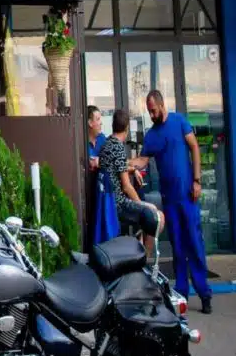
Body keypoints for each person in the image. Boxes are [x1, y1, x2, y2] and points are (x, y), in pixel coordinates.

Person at [129, 90, 212, 313]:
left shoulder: (179, 121)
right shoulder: (151, 135)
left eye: (153, 110)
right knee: (177, 246)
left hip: (188, 195)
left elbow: (194, 147)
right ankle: (181, 294)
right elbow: (142, 160)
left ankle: (204, 294)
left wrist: (197, 180)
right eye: (149, 111)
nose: (151, 114)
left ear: (161, 105)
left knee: (194, 243)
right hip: (170, 200)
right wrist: (123, 163)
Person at [98, 108, 165, 261]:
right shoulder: (118, 147)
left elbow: (117, 167)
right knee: (157, 217)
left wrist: (132, 170)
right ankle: (143, 261)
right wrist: (142, 205)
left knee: (150, 214)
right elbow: (127, 186)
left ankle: (137, 250)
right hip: (118, 204)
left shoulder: (107, 144)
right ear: (127, 128)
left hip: (109, 202)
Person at [88, 105, 119, 244]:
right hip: (89, 195)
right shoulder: (82, 143)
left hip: (104, 194)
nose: (101, 122)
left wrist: (134, 169)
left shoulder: (102, 139)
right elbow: (90, 164)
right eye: (98, 119)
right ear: (90, 123)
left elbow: (114, 160)